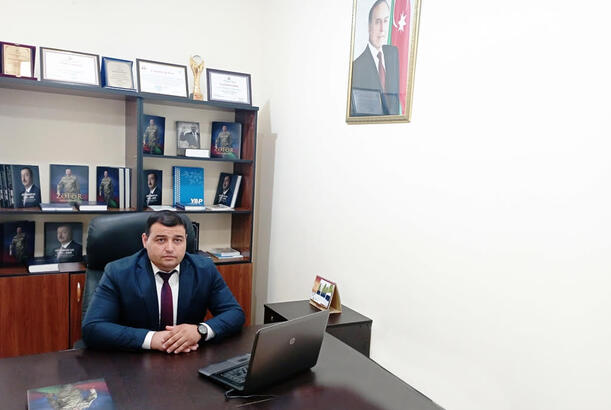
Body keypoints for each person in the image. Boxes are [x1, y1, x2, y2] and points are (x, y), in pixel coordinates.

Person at [82, 211, 245, 352]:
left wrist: (200, 330)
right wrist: (151, 339)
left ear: (186, 240)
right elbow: (93, 327)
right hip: (135, 359)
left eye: (177, 240)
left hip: (188, 355)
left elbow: (235, 313)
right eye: (161, 240)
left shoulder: (204, 269)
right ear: (145, 240)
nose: (170, 248)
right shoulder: (118, 272)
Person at [350, 0, 400, 115]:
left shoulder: (394, 54)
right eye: (377, 22)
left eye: (385, 21)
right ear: (369, 26)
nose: (382, 29)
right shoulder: (357, 67)